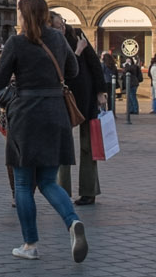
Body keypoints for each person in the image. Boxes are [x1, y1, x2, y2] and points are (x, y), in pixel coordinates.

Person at [0, 0, 88, 263]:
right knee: (47, 181)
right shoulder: (57, 38)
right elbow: (73, 70)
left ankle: (30, 244)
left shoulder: (17, 42)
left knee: (23, 183)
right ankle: (73, 222)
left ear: (24, 15)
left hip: (25, 114)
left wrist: (15, 73)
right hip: (55, 113)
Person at [54, 19, 107, 207]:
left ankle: (89, 191)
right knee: (62, 147)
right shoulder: (50, 42)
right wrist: (77, 52)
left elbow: (94, 63)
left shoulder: (77, 34)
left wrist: (100, 91)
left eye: (61, 25)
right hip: (62, 100)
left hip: (86, 96)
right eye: (56, 27)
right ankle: (61, 191)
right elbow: (60, 72)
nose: (60, 29)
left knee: (88, 146)